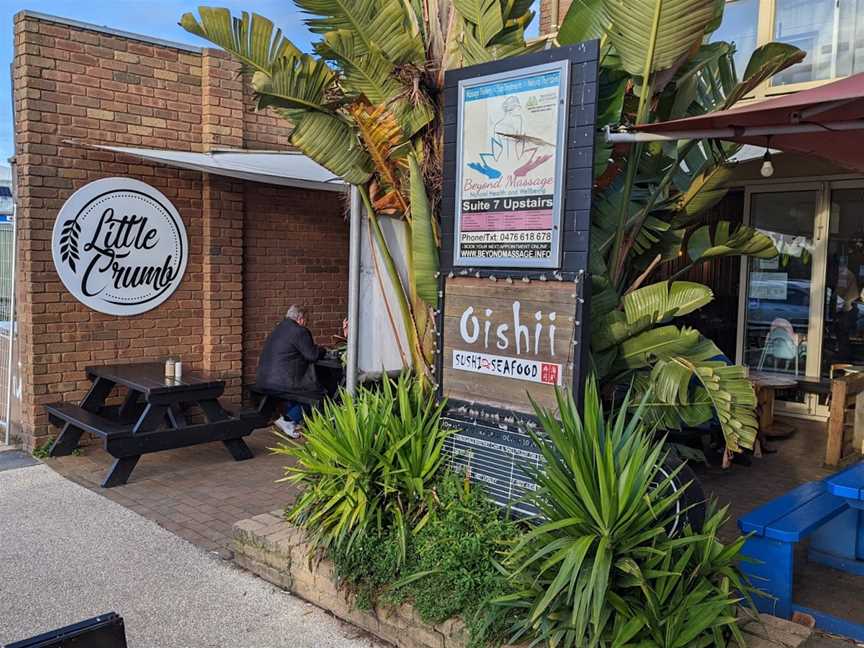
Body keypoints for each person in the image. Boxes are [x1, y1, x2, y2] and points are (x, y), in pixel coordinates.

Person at [256, 304, 326, 439]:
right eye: (307, 320)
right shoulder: (300, 331)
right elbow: (312, 355)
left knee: (301, 392)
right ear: (300, 318)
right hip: (282, 381)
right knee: (320, 394)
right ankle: (288, 420)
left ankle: (293, 419)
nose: (307, 323)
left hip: (264, 378)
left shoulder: (278, 328)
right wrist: (322, 350)